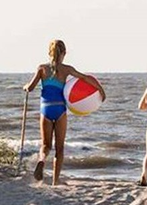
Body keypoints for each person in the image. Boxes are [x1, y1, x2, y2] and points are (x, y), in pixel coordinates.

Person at [22, 39, 106, 185]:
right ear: (64, 53)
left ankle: (41, 160)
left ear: (49, 52)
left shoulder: (41, 68)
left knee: (46, 146)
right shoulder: (67, 69)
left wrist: (25, 87)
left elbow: (30, 88)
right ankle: (55, 181)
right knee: (59, 149)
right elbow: (85, 78)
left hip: (46, 109)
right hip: (59, 109)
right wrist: (100, 89)